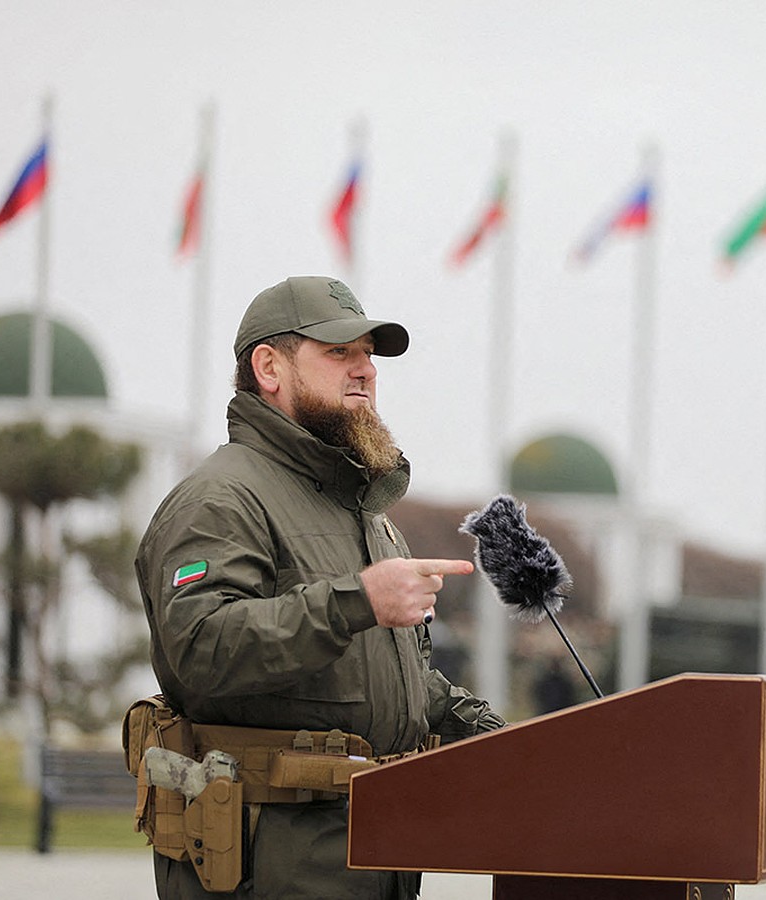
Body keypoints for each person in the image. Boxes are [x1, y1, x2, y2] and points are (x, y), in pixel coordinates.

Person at [134, 276, 506, 899]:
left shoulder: (363, 513)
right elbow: (198, 649)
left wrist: (502, 739)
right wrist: (358, 601)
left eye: (369, 354)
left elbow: (378, 681)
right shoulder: (219, 499)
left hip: (369, 859)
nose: (364, 370)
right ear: (269, 367)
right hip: (270, 867)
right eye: (339, 352)